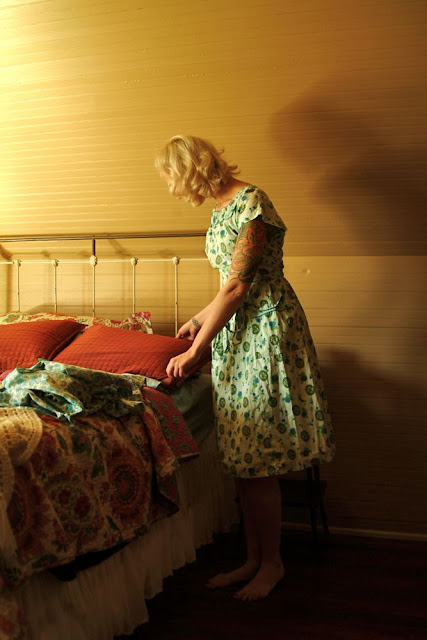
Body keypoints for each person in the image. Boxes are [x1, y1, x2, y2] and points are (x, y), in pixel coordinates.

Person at [155, 135, 336, 601]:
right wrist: (199, 320)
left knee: (259, 459)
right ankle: (253, 558)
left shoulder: (252, 203)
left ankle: (272, 563)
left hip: (266, 332)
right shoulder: (220, 211)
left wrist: (196, 352)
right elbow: (227, 286)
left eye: (175, 179)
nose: (176, 190)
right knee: (243, 457)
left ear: (193, 169)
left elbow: (239, 286)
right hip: (237, 331)